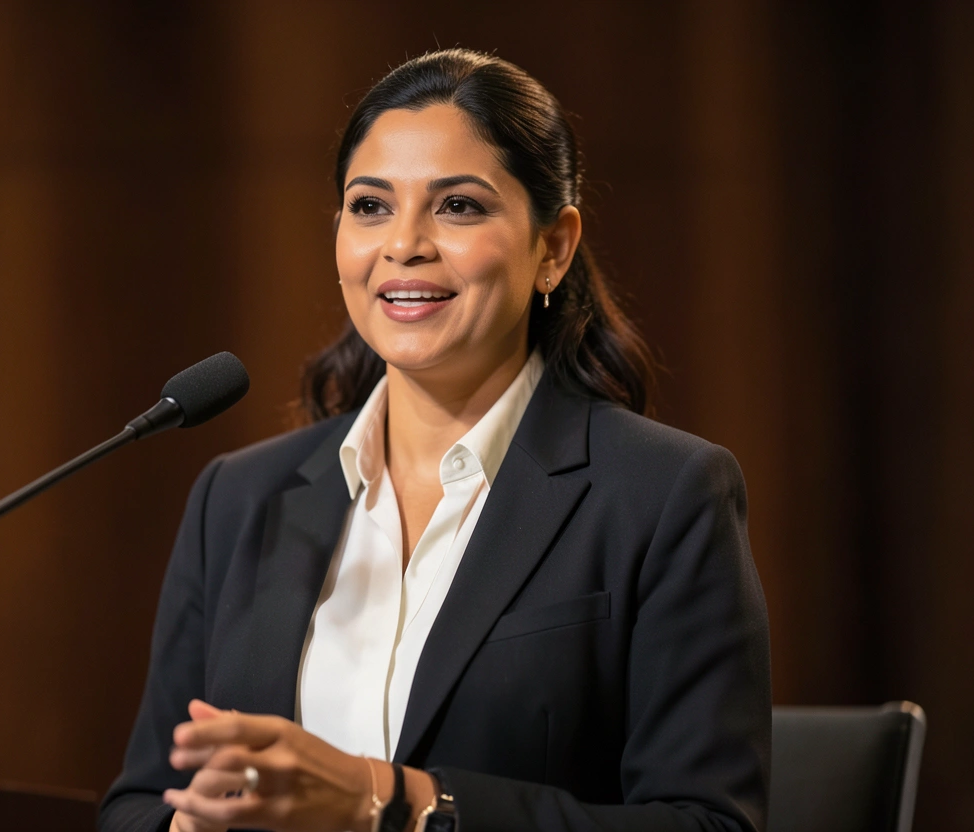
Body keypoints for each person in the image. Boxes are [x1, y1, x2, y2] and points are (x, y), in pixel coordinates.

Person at [99, 48, 770, 832]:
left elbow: (709, 824)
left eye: (457, 207)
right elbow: (140, 803)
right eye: (370, 206)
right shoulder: (239, 499)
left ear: (552, 247)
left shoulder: (664, 495)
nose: (404, 244)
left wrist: (401, 805)